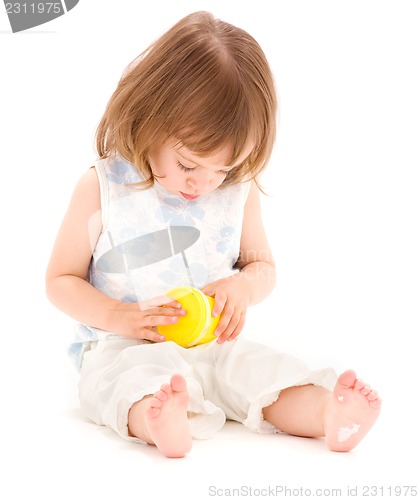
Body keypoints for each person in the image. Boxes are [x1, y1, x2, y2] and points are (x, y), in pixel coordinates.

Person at [45, 11, 381, 458]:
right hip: (125, 345)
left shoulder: (236, 192)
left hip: (213, 344)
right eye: (188, 164)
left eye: (222, 169)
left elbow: (261, 266)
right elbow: (60, 280)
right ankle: (159, 420)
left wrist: (242, 286)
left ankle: (325, 413)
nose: (203, 184)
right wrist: (118, 317)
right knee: (126, 383)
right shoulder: (104, 186)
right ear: (149, 119)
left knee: (260, 370)